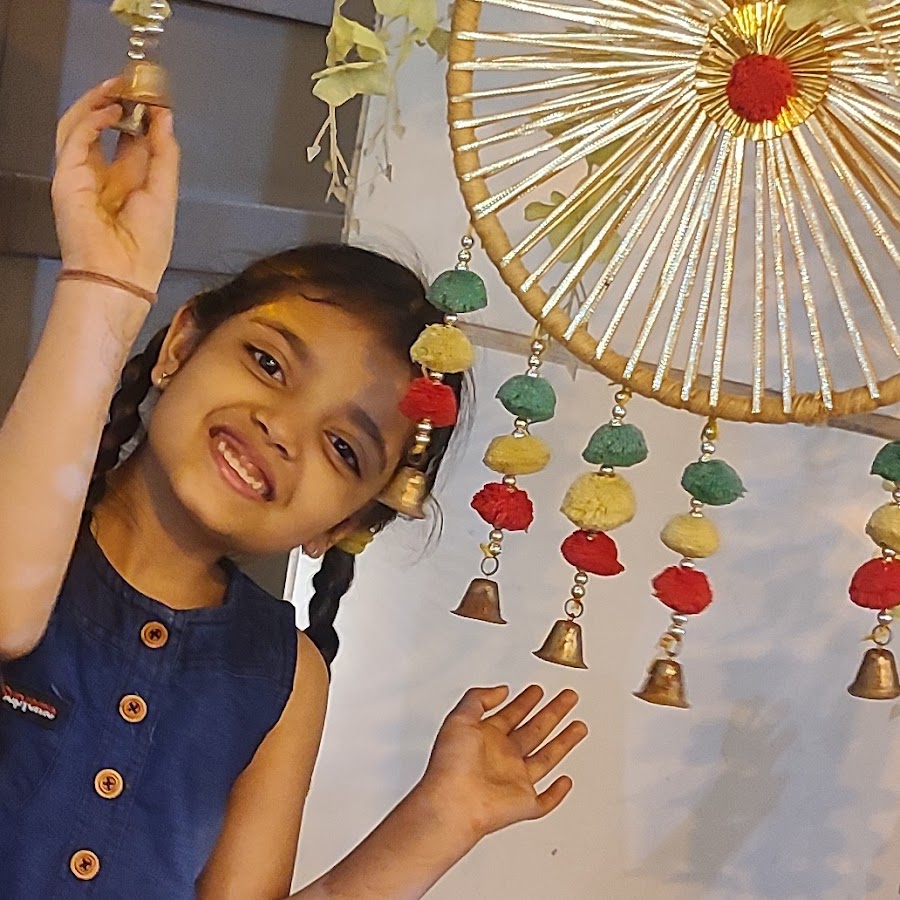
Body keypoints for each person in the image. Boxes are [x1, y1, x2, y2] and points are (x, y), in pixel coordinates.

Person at [0, 79, 587, 899]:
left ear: (342, 525)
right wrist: (107, 284)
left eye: (343, 448)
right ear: (181, 346)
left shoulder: (286, 676)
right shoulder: (24, 514)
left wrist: (440, 819)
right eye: (269, 363)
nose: (282, 429)